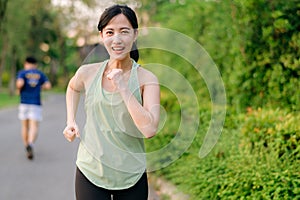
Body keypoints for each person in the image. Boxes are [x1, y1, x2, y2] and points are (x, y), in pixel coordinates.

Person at [63, 4, 160, 200]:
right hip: (90, 170)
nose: (117, 39)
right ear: (102, 36)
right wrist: (71, 120)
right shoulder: (87, 72)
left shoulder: (147, 79)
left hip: (131, 174)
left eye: (124, 32)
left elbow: (149, 130)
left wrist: (123, 87)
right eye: (110, 32)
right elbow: (72, 88)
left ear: (135, 35)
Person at [16, 56, 52, 160]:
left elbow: (19, 83)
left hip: (24, 102)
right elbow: (48, 85)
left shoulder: (22, 73)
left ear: (26, 63)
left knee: (24, 126)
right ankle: (31, 144)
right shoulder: (39, 74)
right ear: (35, 64)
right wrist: (41, 86)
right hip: (35, 103)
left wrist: (20, 88)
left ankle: (26, 145)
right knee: (34, 126)